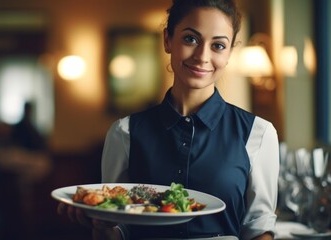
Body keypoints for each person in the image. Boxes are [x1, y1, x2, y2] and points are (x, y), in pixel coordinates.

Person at [58, 0, 279, 239]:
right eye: (190, 39)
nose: (202, 56)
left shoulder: (259, 133)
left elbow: (259, 227)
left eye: (218, 45)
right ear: (167, 40)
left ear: (228, 54)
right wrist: (102, 224)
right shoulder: (124, 132)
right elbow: (117, 228)